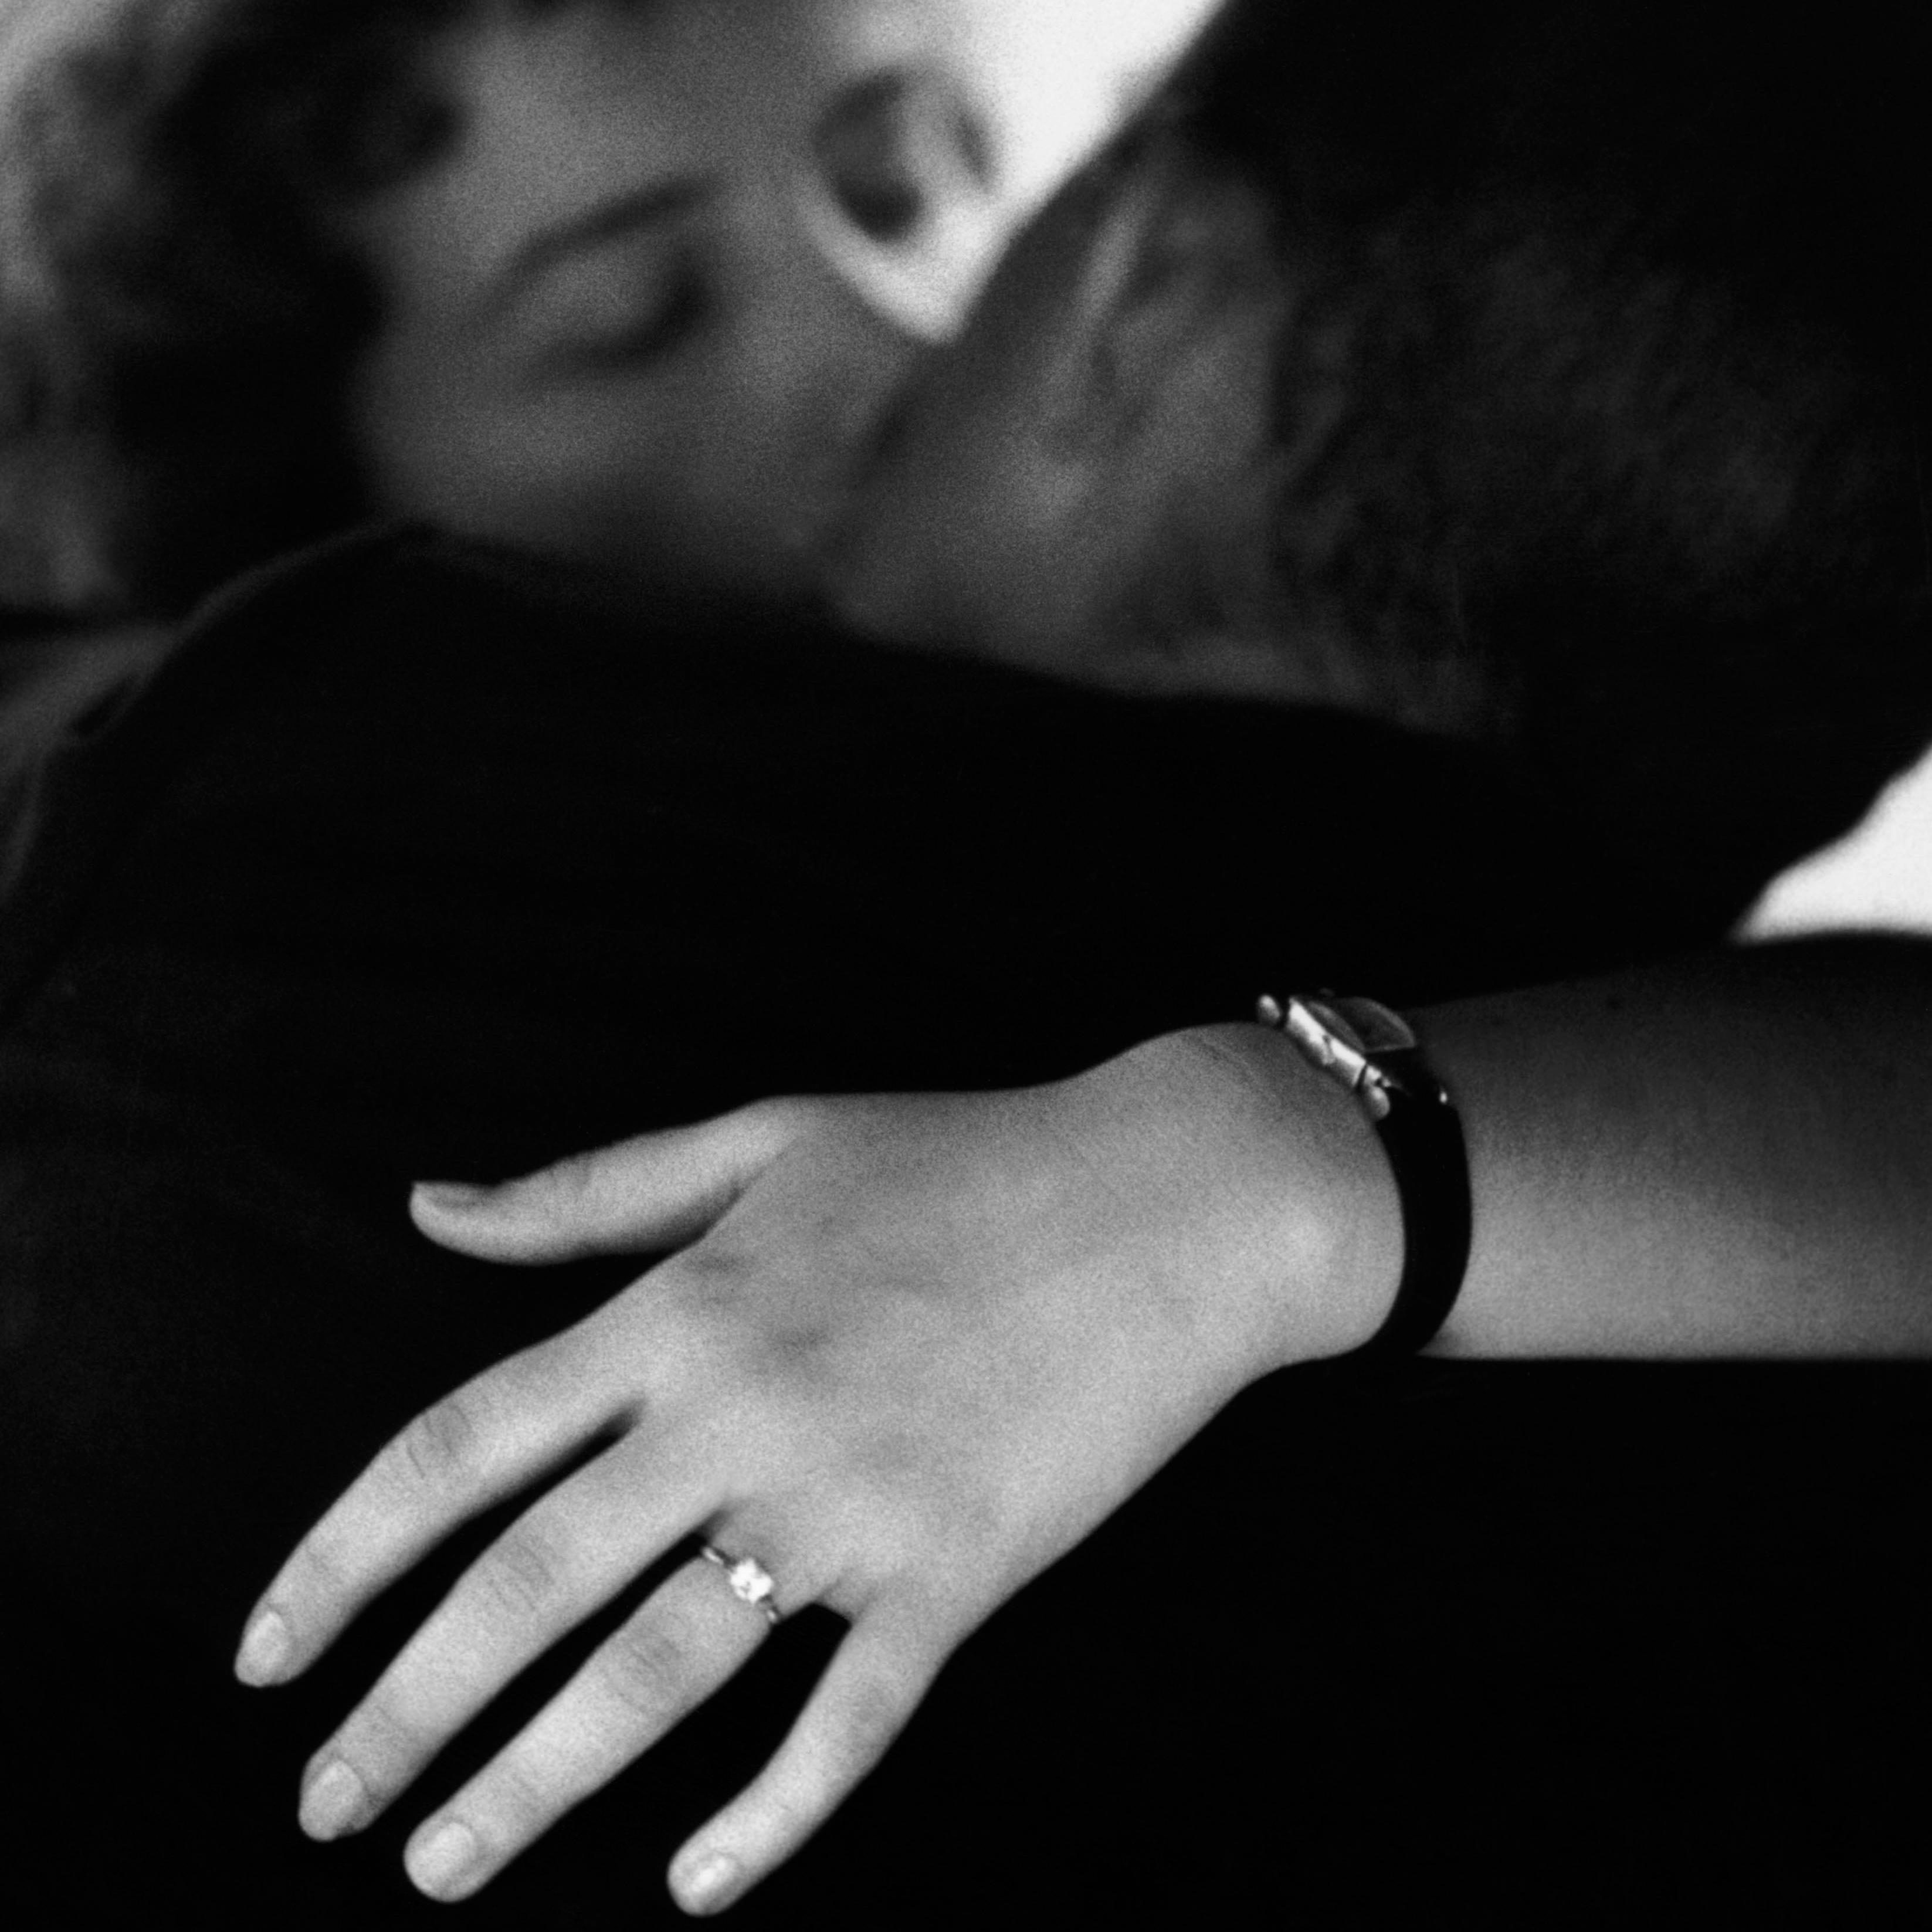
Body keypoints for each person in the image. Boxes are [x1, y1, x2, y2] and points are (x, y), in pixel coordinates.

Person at [1, 0, 1929, 1923]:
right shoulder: (243, 880)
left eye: (896, 182)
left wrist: (1257, 1169)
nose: (883, 338)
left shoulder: (1571, 1099)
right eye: (639, 316)